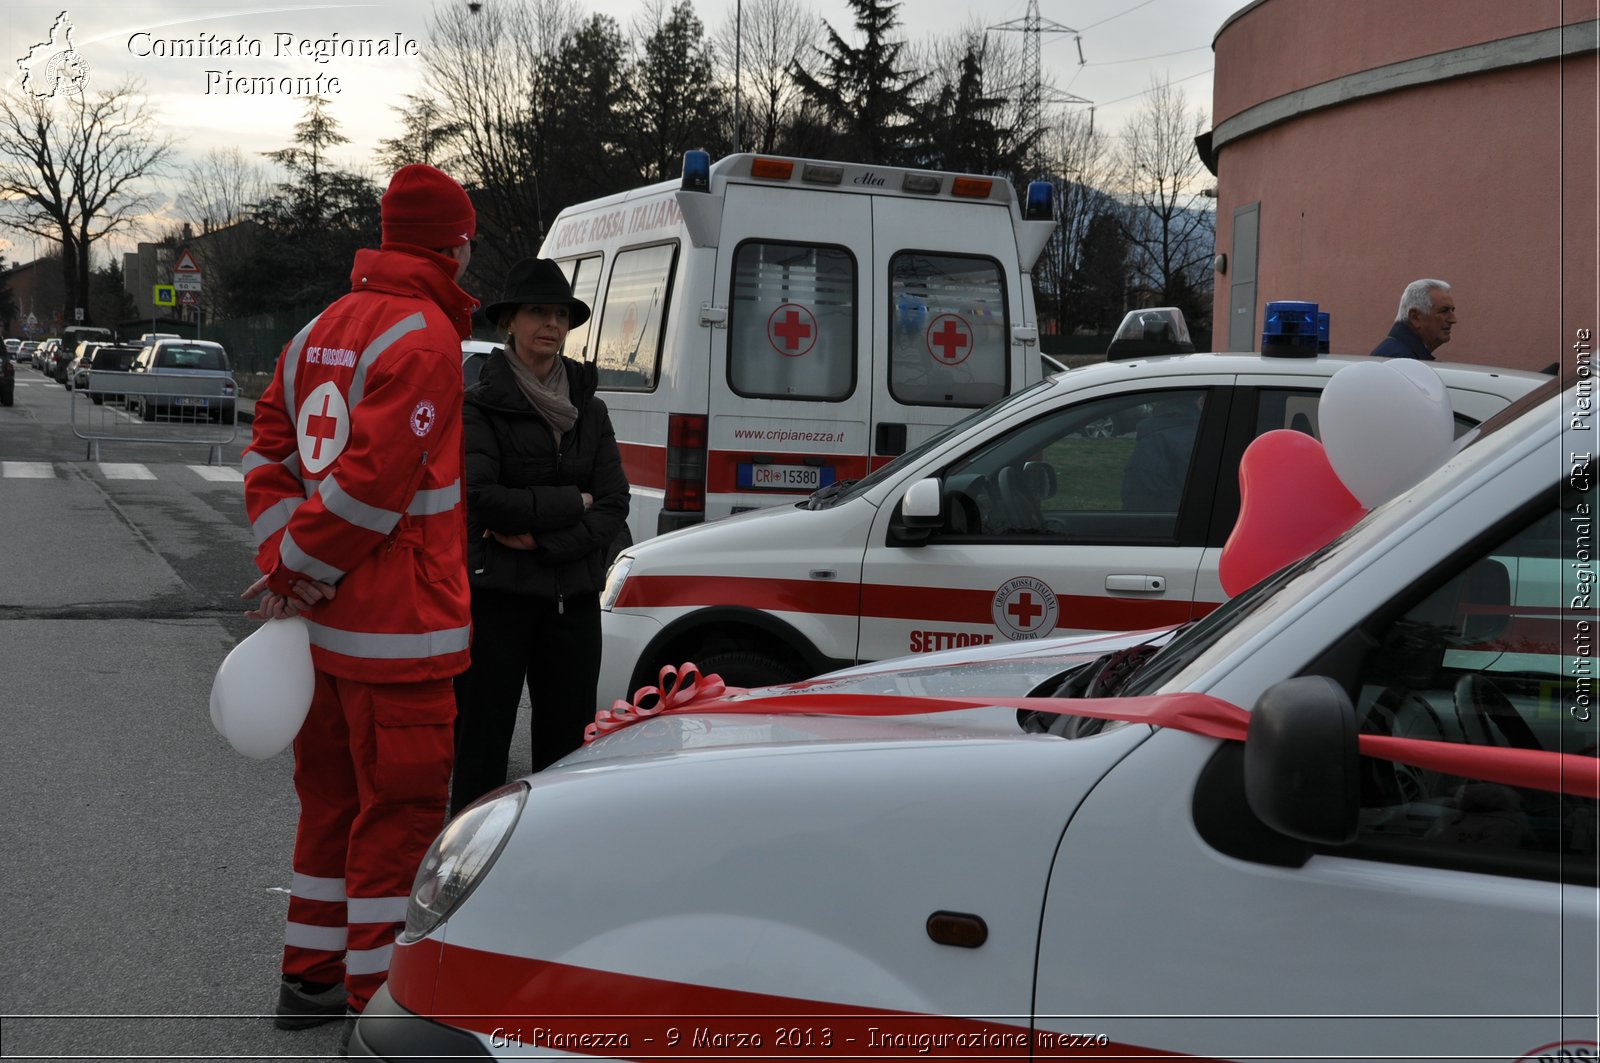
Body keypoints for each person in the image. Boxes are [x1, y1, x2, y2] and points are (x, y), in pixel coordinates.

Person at [238, 164, 478, 1040]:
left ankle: (308, 978)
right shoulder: (425, 338)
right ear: (452, 242)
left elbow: (269, 450)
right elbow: (377, 485)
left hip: (324, 635)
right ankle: (377, 1011)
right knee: (401, 817)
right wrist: (300, 563)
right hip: (400, 631)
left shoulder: (316, 332)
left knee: (331, 805)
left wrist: (282, 556)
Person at [450, 258, 630, 816]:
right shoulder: (480, 405)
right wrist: (567, 503)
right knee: (480, 753)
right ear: (509, 322)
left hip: (570, 603)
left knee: (565, 759)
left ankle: (554, 873)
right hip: (497, 597)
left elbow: (613, 504)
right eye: (537, 312)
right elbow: (483, 499)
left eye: (559, 314)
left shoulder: (590, 410)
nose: (550, 324)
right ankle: (464, 872)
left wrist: (543, 542)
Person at [1370, 279, 1456, 360]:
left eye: (1452, 310)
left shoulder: (1400, 354)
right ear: (1415, 317)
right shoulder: (1401, 360)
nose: (1453, 320)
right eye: (1444, 311)